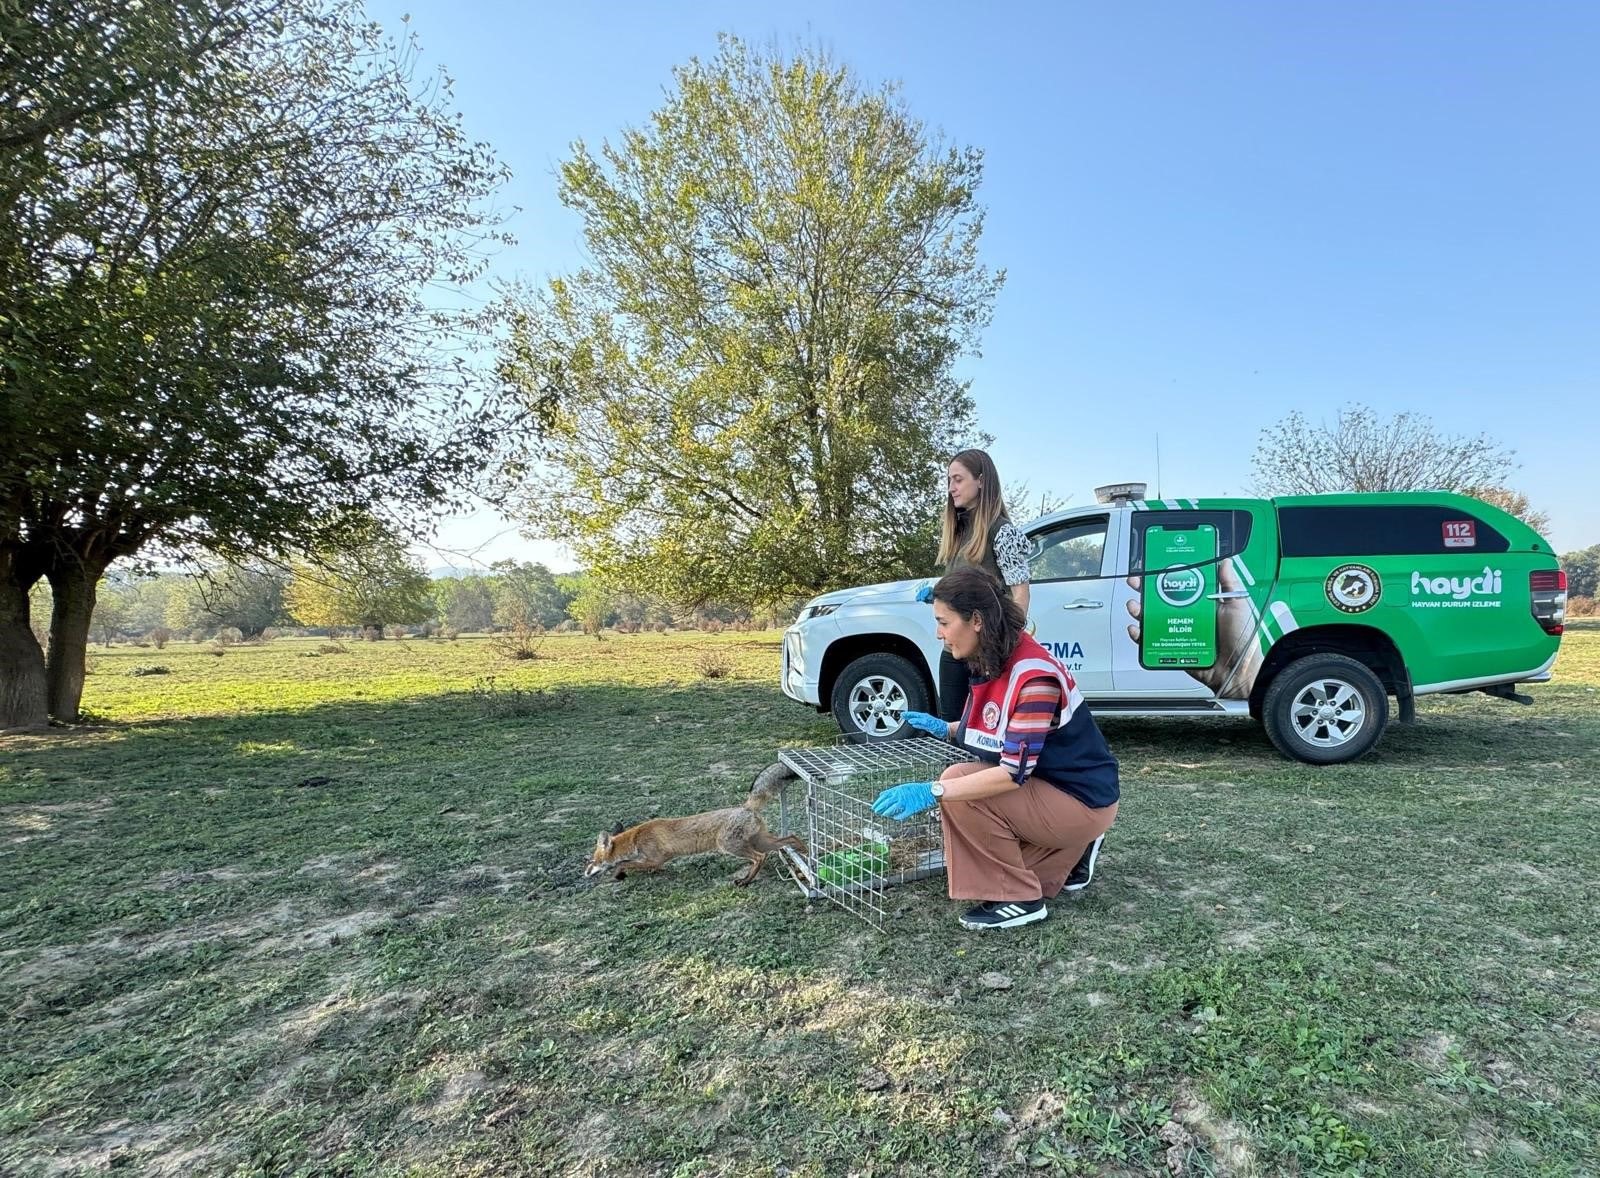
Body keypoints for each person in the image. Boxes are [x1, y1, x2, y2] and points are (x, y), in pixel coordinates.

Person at [876, 567, 1119, 930]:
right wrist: (948, 728)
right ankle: (1072, 851)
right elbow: (1003, 726)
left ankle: (1020, 898)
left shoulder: (1034, 677)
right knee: (965, 787)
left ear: (976, 620)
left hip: (1081, 798)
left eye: (943, 622)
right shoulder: (999, 655)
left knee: (959, 787)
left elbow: (1012, 773)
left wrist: (934, 792)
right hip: (1063, 789)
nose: (939, 633)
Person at [919, 449, 1032, 723]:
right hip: (953, 651)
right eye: (949, 481)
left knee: (984, 733)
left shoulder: (1002, 532)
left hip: (986, 656)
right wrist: (941, 595)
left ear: (981, 480)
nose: (951, 488)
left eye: (958, 479)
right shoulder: (958, 532)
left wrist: (1002, 643)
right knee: (951, 732)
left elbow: (1020, 593)